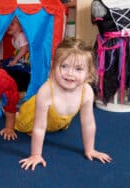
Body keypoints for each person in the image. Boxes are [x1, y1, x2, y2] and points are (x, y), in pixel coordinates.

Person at [15, 38, 112, 171]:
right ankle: (12, 110)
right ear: (54, 66)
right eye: (64, 66)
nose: (70, 73)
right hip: (31, 117)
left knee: (56, 125)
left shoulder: (87, 92)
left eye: (78, 69)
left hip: (57, 122)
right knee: (20, 120)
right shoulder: (46, 91)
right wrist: (36, 155)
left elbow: (88, 123)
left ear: (89, 73)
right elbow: (39, 127)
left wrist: (90, 149)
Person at [91, 0, 130, 106]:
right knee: (110, 74)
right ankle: (110, 97)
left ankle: (123, 96)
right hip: (109, 49)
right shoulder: (98, 4)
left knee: (129, 72)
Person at [0, 17, 30, 92]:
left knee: (19, 69)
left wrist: (15, 60)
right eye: (8, 25)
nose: (8, 26)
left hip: (28, 58)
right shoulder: (13, 39)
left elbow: (24, 48)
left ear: (21, 27)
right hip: (23, 58)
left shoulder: (21, 35)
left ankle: (22, 88)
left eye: (12, 24)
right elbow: (18, 51)